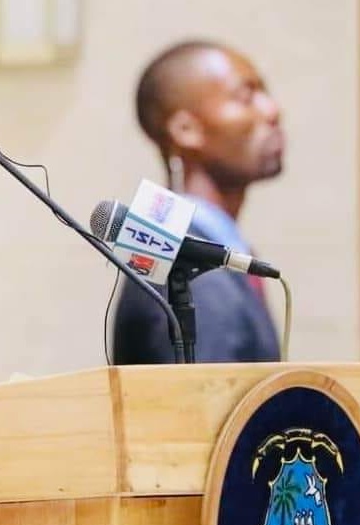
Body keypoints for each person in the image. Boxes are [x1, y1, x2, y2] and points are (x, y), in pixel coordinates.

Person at [111, 40, 284, 364]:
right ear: (186, 129)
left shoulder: (199, 243)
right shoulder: (180, 261)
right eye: (246, 96)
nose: (272, 111)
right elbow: (202, 407)